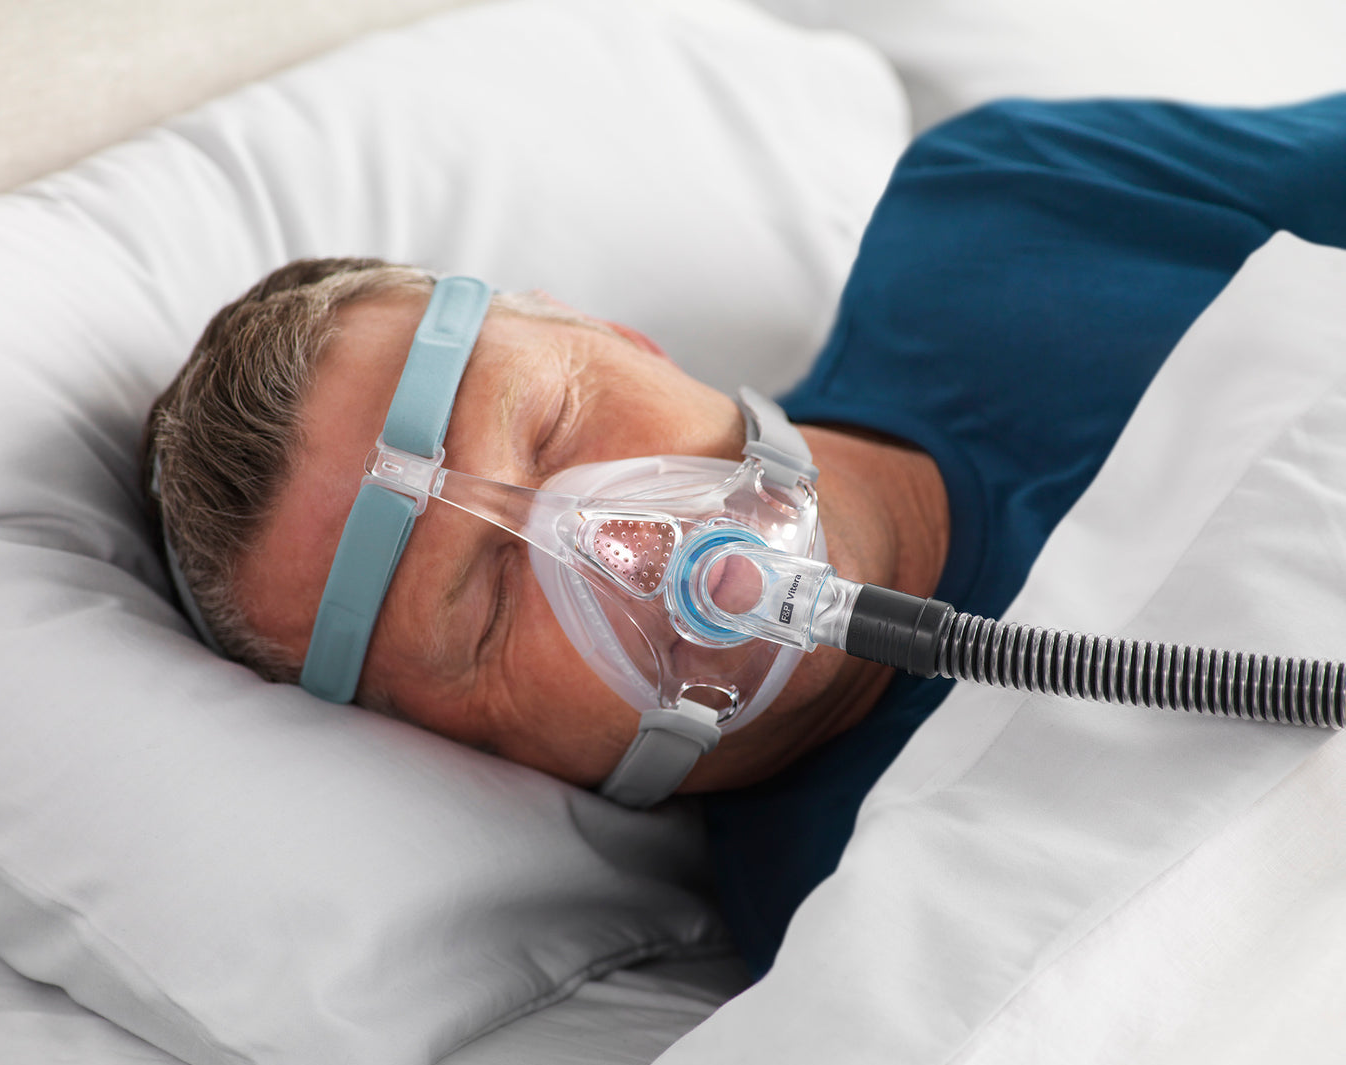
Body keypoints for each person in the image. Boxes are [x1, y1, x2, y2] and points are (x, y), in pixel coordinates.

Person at [144, 94, 1346, 976]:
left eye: (556, 422)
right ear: (485, 758)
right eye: (487, 603)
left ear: (620, 336)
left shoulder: (1008, 206)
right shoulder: (865, 945)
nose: (615, 540)